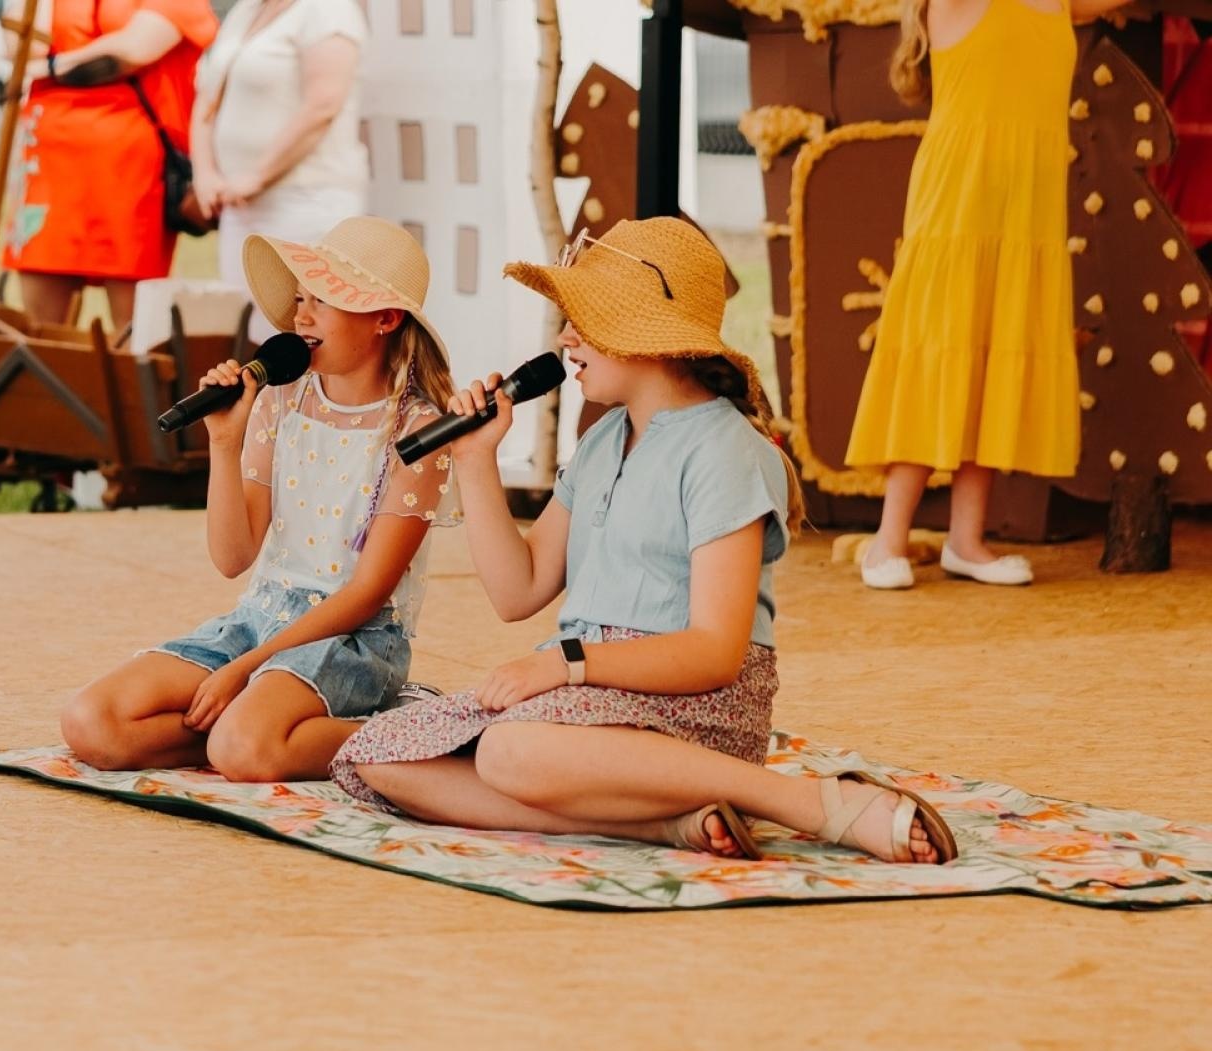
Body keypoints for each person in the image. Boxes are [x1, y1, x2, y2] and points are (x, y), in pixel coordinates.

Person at [331, 217, 959, 865]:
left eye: (584, 319)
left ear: (644, 332)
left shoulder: (725, 451)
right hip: (582, 699)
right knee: (378, 756)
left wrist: (564, 663)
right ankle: (663, 826)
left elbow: (715, 652)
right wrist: (475, 458)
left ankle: (810, 804)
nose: (566, 338)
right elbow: (517, 592)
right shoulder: (602, 441)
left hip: (692, 703)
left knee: (512, 750)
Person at [59, 217, 459, 780]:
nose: (301, 317)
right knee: (92, 723)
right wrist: (224, 444)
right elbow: (232, 558)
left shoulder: (417, 433)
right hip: (260, 616)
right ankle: (252, 729)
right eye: (300, 298)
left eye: (323, 300)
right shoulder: (280, 401)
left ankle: (412, 725)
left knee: (244, 750)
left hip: (350, 637)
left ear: (385, 319)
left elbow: (368, 594)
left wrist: (244, 669)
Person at [845, 0, 1135, 589]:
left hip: (1028, 205)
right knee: (941, 352)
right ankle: (887, 540)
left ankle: (966, 540)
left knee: (997, 351)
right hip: (960, 199)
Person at [1, 0, 218, 330]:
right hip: (49, 159)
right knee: (41, 324)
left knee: (132, 324)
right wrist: (46, 59)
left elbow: (131, 52)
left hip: (129, 165)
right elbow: (20, 43)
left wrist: (50, 66)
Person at [190, 0, 369, 338]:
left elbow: (323, 105)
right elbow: (207, 96)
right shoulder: (247, 11)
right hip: (240, 207)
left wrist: (257, 176)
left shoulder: (329, 10)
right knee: (250, 332)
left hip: (305, 202)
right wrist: (205, 173)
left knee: (306, 330)